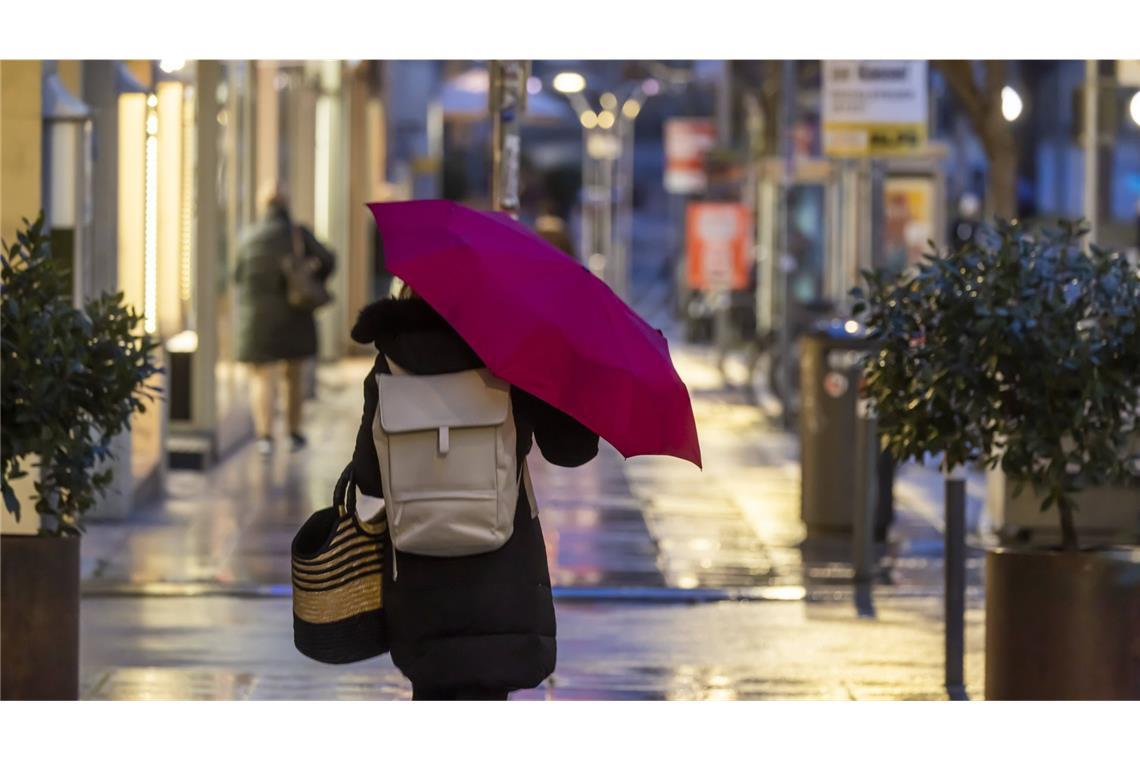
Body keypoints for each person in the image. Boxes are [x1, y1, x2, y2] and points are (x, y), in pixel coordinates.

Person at [349, 286, 600, 700]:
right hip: (503, 575)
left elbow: (370, 478)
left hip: (418, 579)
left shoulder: (389, 361)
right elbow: (570, 449)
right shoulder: (513, 355)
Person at [235, 190, 335, 456]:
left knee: (262, 377)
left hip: (257, 319)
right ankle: (293, 432)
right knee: (294, 375)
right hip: (294, 315)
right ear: (287, 205)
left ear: (262, 206)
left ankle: (264, 436)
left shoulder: (250, 237)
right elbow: (329, 259)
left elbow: (237, 276)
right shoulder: (297, 234)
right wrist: (312, 272)